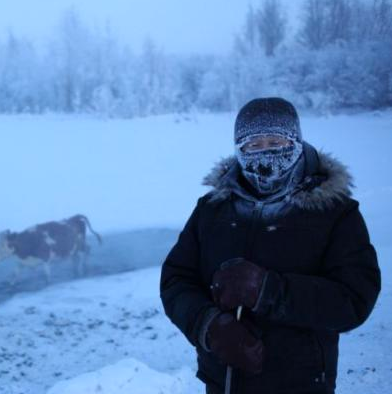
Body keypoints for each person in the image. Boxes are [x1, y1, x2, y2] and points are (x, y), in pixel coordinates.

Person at [159, 97, 380, 394]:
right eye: (254, 145)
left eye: (276, 141)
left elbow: (354, 299)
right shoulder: (212, 209)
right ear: (240, 149)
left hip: (300, 383)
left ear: (297, 142)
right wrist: (209, 326)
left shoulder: (335, 213)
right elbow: (176, 280)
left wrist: (268, 290)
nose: (265, 155)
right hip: (223, 382)